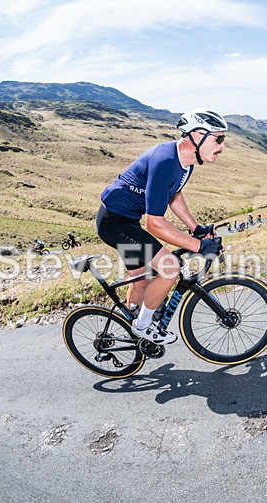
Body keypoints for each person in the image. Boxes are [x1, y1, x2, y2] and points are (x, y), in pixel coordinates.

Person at [96, 108, 226, 345]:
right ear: (197, 136)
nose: (222, 146)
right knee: (170, 267)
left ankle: (131, 329)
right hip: (114, 222)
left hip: (126, 221)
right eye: (219, 138)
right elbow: (154, 223)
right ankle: (142, 327)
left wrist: (195, 228)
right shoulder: (166, 160)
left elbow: (174, 195)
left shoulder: (186, 163)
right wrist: (199, 246)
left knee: (142, 281)